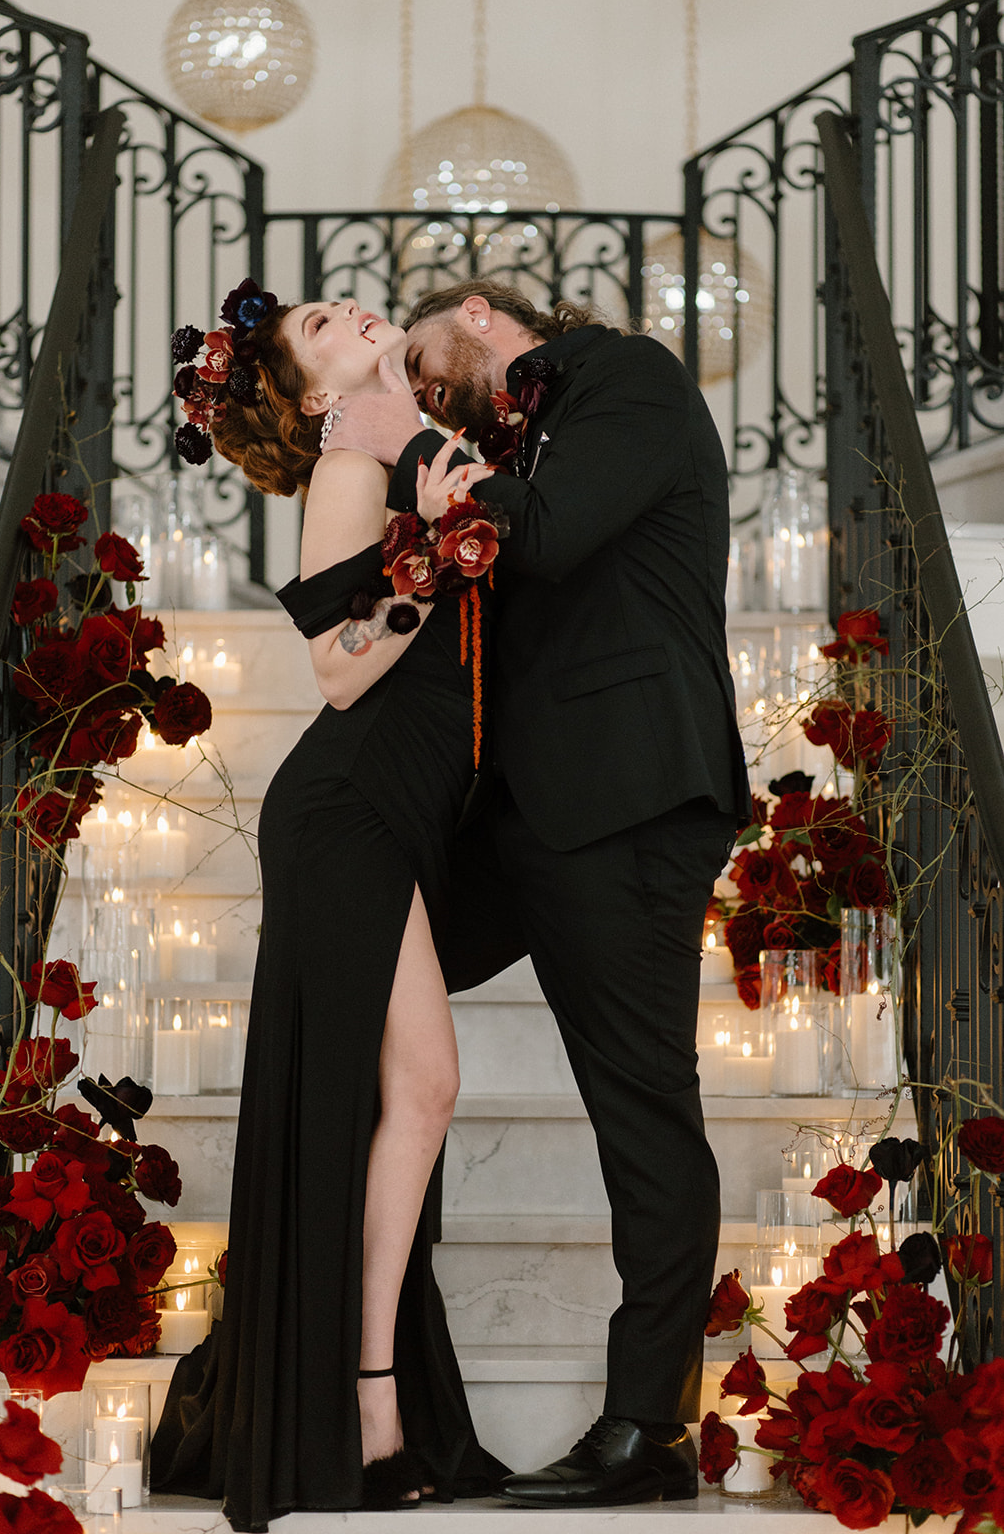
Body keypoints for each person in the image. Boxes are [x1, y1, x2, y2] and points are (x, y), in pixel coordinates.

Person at [319, 280, 752, 1509]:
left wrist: (404, 432)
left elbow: (545, 534)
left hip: (623, 804)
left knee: (639, 1108)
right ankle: (363, 1373)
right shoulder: (507, 438)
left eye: (422, 358)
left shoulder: (627, 377)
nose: (421, 381)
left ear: (476, 310)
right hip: (515, 815)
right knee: (354, 1010)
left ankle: (648, 1425)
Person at [148, 281, 506, 1529]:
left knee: (412, 1095)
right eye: (316, 326)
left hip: (393, 808)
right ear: (309, 393)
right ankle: (364, 1398)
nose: (346, 310)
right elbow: (333, 671)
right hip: (345, 806)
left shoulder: (418, 442)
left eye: (339, 303)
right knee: (422, 1088)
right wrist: (431, 561)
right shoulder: (352, 458)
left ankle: (368, 1386)